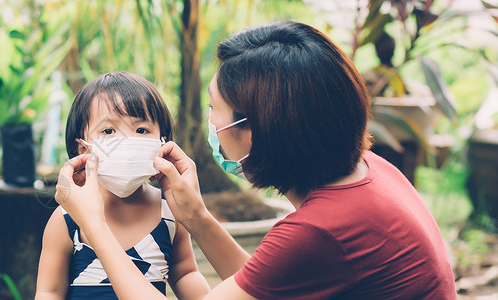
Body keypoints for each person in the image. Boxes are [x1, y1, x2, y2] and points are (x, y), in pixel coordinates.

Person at [54, 22, 457, 299]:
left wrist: (93, 224)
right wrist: (198, 218)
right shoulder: (370, 170)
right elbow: (268, 283)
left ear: (256, 129)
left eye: (214, 109)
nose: (208, 123)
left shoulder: (318, 232)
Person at [35, 72, 211, 299]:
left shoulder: (171, 211)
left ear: (163, 143)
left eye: (141, 130)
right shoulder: (68, 218)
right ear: (84, 149)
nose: (127, 141)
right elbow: (49, 291)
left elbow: (185, 273)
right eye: (108, 131)